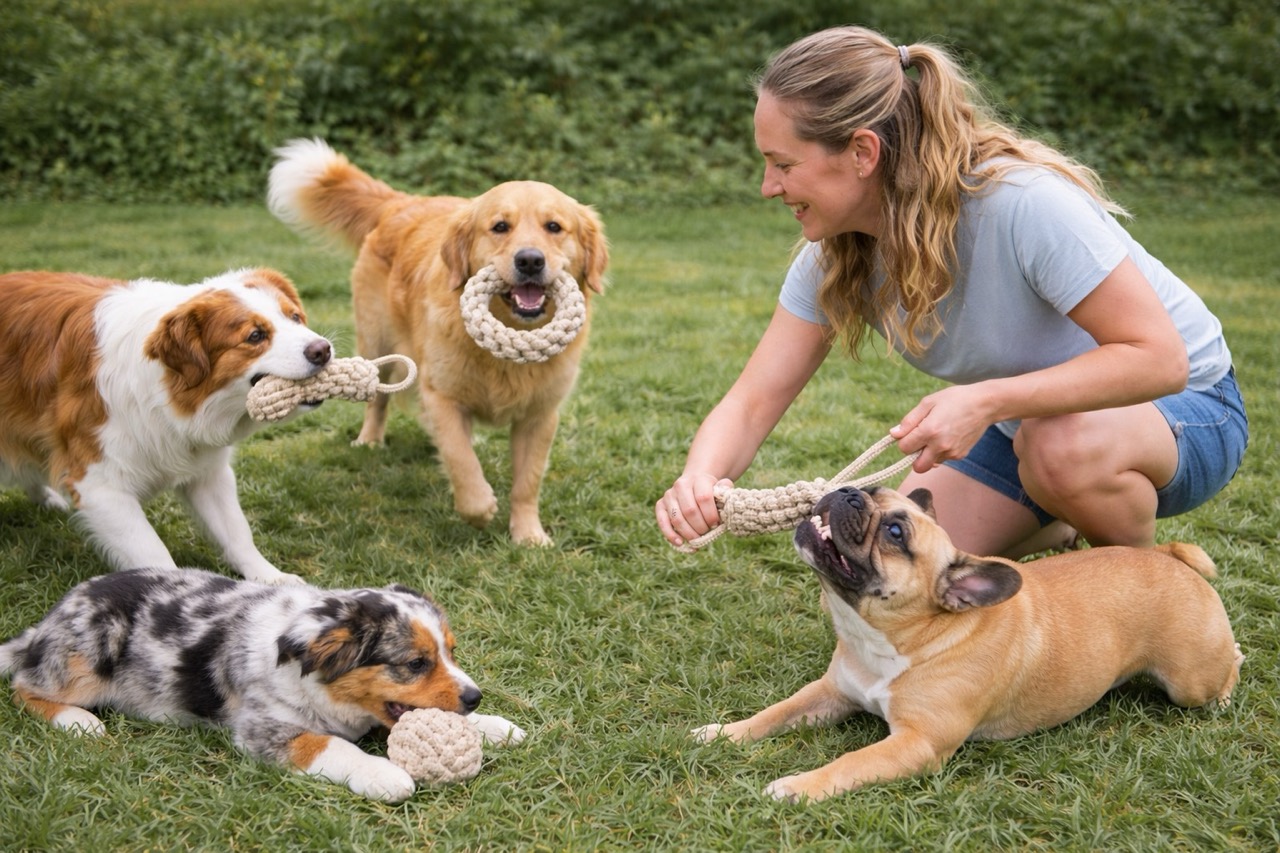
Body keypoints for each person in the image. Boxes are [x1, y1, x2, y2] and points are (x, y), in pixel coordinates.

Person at [656, 25, 1247, 559]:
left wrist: (985, 401)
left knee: (1060, 448)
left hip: (1187, 411)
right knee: (888, 566)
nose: (768, 187)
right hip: (1026, 427)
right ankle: (1058, 514)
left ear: (862, 152)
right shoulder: (835, 255)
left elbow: (1159, 359)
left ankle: (1148, 586)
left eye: (783, 164)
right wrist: (699, 480)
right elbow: (754, 400)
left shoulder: (1022, 204)